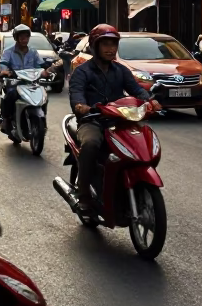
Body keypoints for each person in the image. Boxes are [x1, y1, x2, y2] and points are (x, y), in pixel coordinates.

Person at [68, 25, 161, 218]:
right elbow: (76, 96)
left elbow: (136, 90)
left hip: (120, 121)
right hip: (93, 121)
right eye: (105, 44)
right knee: (91, 144)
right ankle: (83, 194)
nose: (110, 49)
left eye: (113, 44)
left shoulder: (121, 70)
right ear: (94, 46)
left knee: (141, 141)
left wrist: (150, 101)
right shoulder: (82, 72)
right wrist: (82, 107)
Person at [0, 24, 56, 134]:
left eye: (26, 36)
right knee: (10, 96)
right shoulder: (8, 51)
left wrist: (46, 71)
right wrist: (5, 71)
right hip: (15, 83)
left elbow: (40, 65)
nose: (24, 39)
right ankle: (6, 120)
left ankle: (42, 119)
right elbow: (3, 63)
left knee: (44, 97)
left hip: (31, 83)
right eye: (21, 37)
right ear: (16, 38)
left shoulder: (33, 52)